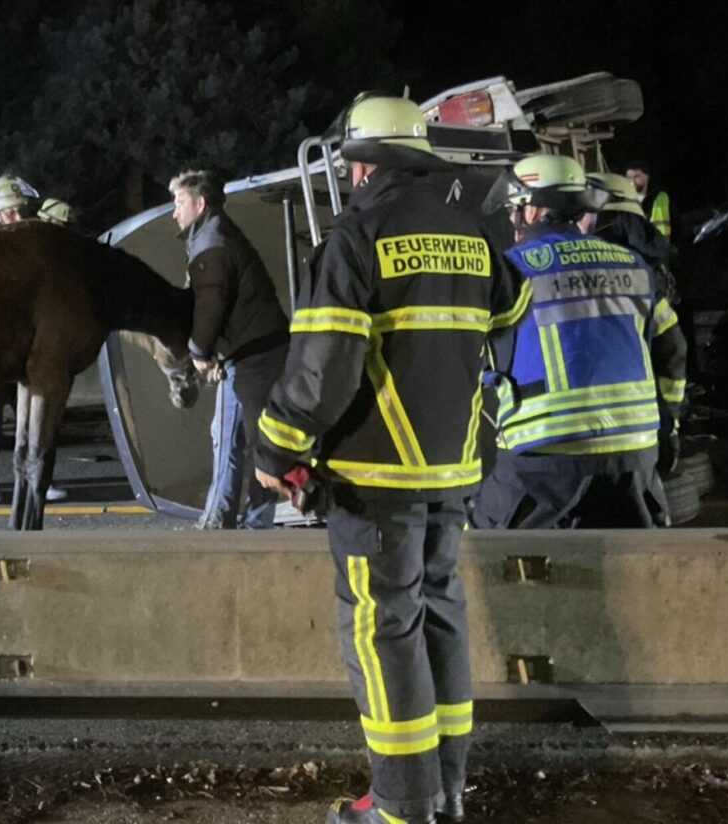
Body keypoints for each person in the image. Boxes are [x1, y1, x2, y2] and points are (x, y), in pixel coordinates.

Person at [253, 95, 530, 824]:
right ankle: (448, 791)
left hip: (376, 479)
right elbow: (511, 307)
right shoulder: (471, 232)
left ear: (363, 164)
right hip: (452, 469)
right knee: (439, 616)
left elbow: (321, 369)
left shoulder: (358, 235)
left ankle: (403, 806)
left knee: (384, 634)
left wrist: (275, 446)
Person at [470, 154, 688, 530]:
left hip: (543, 457)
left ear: (534, 210)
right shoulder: (633, 265)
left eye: (514, 209)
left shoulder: (510, 270)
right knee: (638, 569)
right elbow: (674, 350)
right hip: (633, 457)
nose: (511, 220)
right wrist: (669, 428)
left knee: (486, 554)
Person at [168, 169, 290, 529]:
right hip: (250, 352)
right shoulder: (213, 236)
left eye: (179, 203)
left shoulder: (212, 242)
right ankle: (229, 519)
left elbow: (211, 303)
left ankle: (242, 522)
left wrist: (200, 353)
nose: (175, 211)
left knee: (248, 441)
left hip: (255, 355)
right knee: (232, 437)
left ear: (200, 203)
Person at [0, 175, 67, 505]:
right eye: (11, 213)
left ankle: (37, 476)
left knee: (35, 415)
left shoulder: (19, 243)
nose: (18, 219)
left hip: (19, 347)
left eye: (20, 211)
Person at [622, 160, 672, 239]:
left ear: (647, 177)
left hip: (659, 248)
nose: (632, 181)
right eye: (629, 178)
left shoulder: (660, 197)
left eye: (636, 177)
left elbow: (675, 224)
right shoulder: (623, 202)